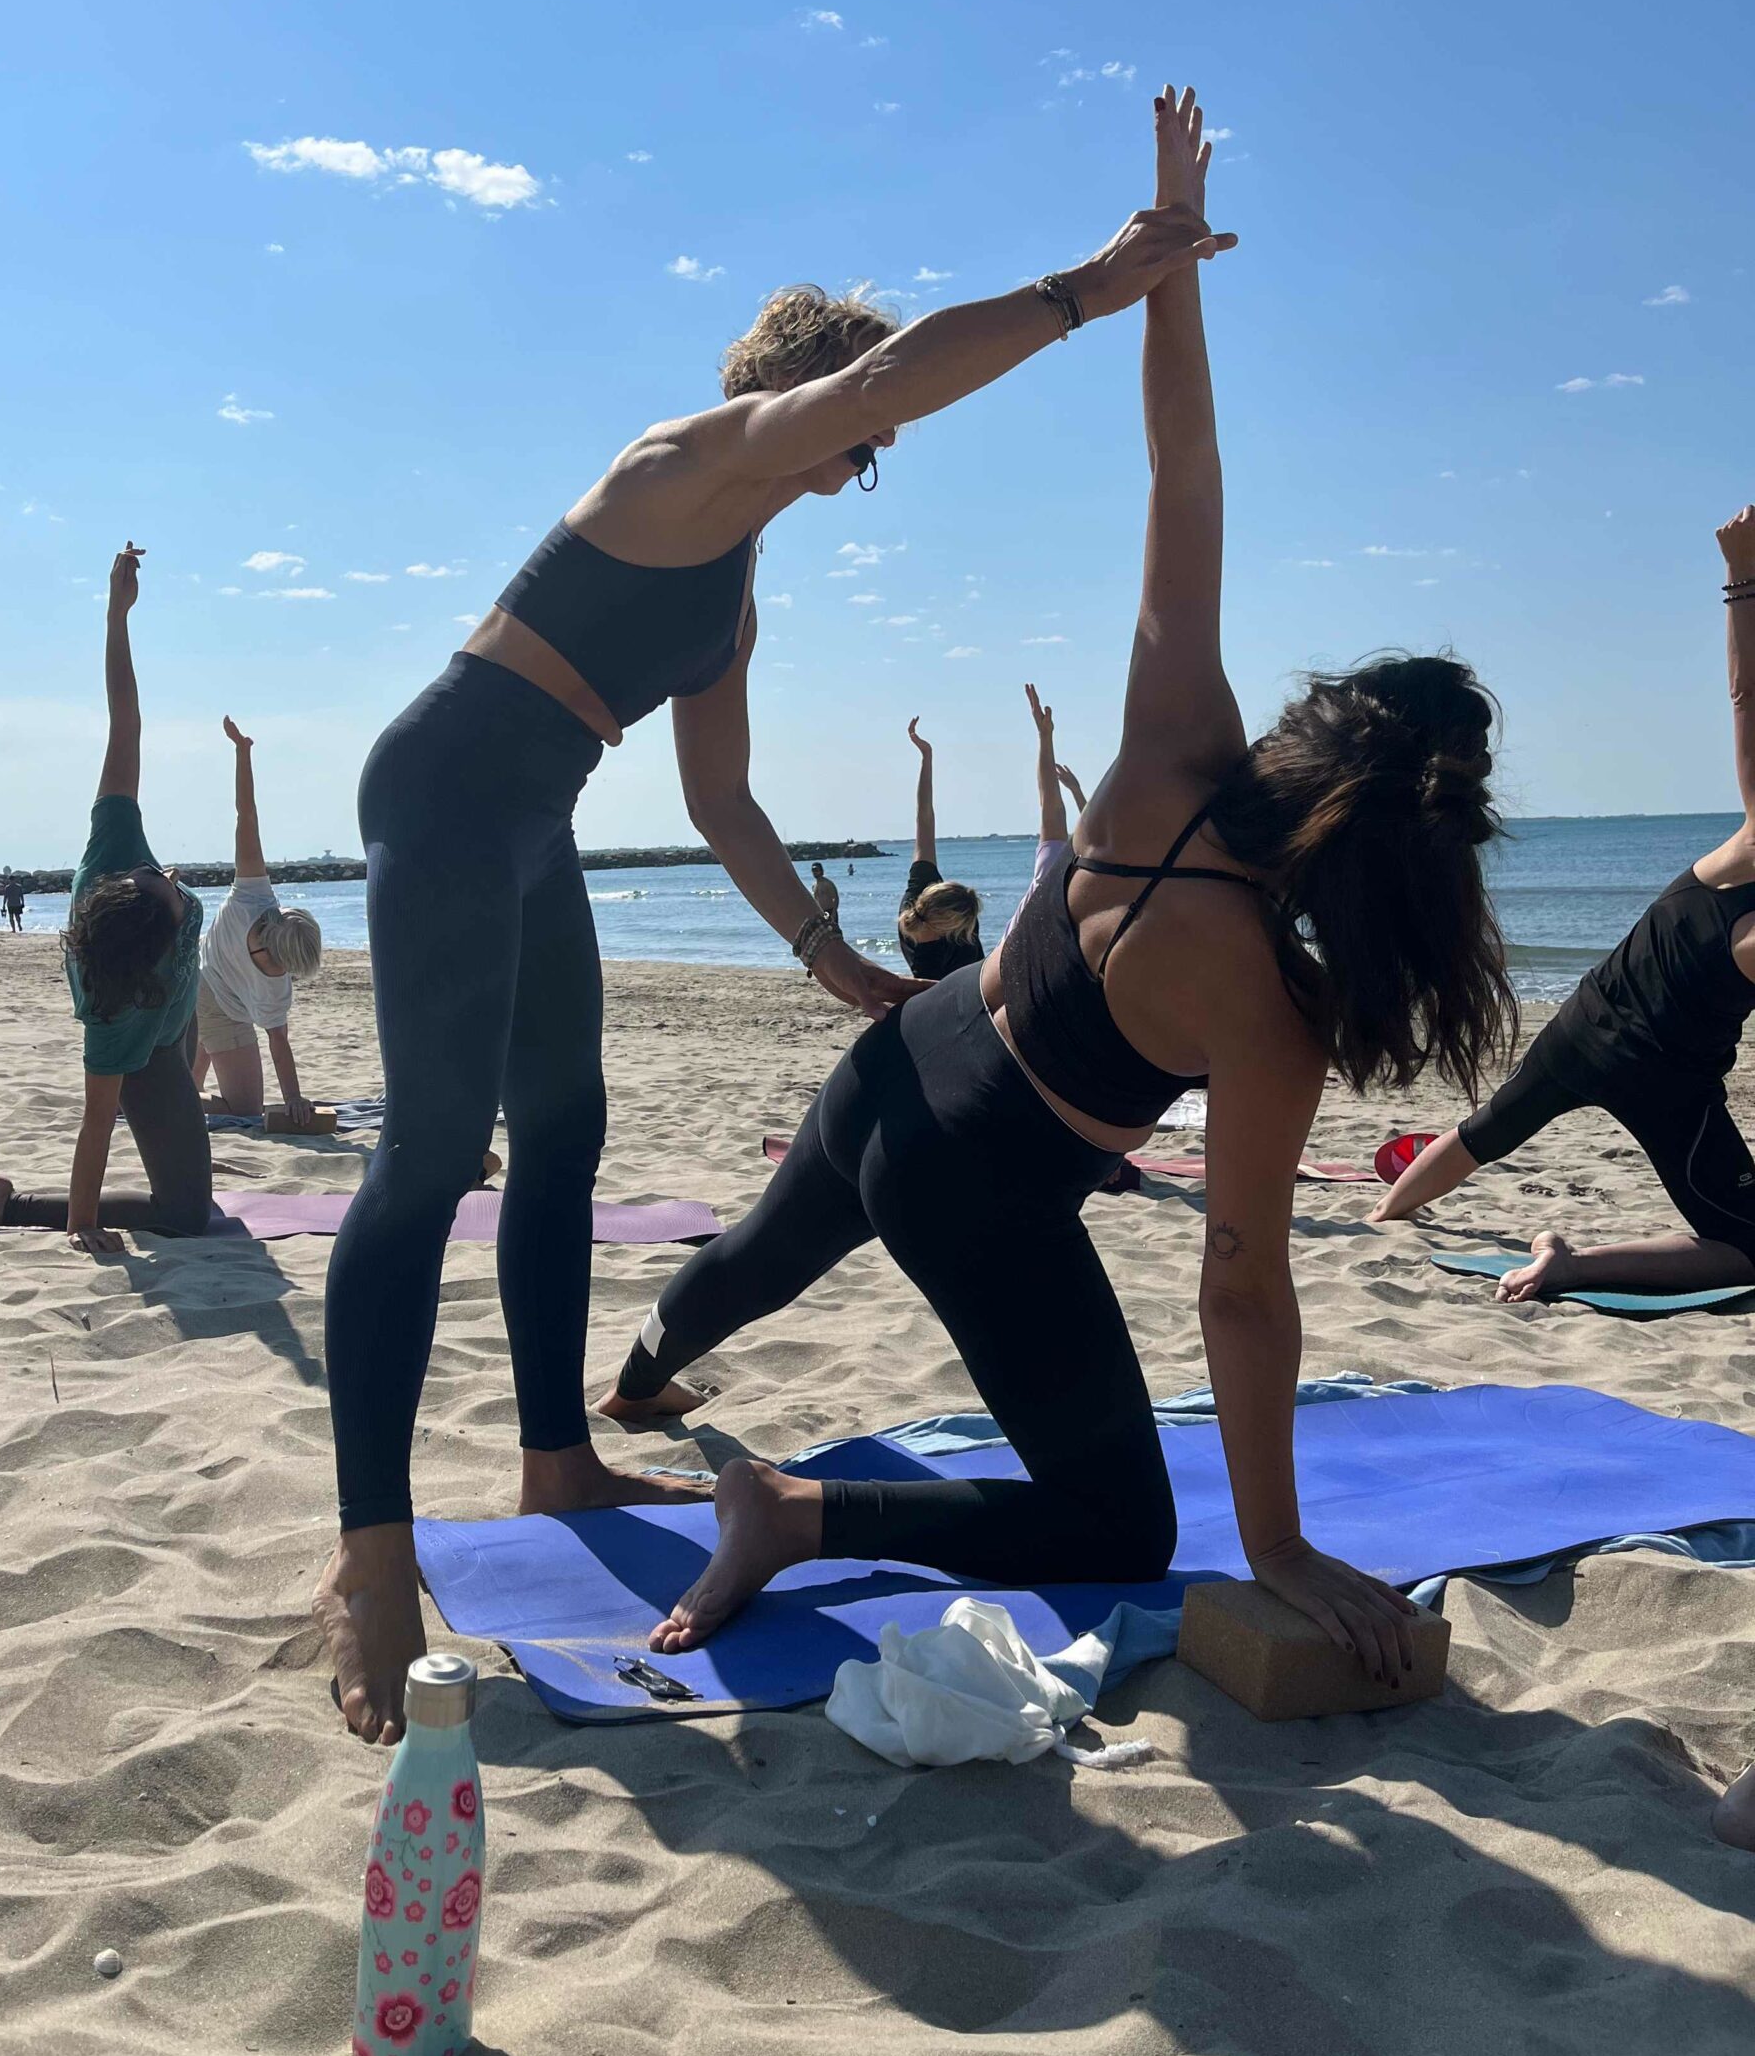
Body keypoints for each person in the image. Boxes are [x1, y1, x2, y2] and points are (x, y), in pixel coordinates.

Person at [603, 88, 1514, 1682]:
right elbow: (1243, 1293)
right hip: (975, 1186)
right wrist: (1282, 1544)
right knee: (1120, 1526)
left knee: (751, 1261)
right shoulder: (1273, 1019)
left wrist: (1173, 256)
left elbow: (1186, 467)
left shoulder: (1174, 748)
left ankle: (642, 1375)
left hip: (900, 1056)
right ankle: (794, 1515)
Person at [316, 184, 1234, 1745]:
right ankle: (369, 1558)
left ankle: (556, 1461)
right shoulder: (686, 462)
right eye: (858, 446)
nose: (860, 467)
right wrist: (1089, 286)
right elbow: (880, 383)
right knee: (424, 1157)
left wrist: (822, 954)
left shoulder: (735, 587)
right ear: (791, 396)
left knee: (570, 1133)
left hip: (539, 820)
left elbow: (720, 800)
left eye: (868, 460)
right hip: (452, 789)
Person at [1370, 503, 1755, 1301]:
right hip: (1667, 1085)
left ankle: (1383, 1214)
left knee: (1484, 1133)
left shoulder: (1749, 846)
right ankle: (1568, 1265)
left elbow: (1746, 700)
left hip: (1583, 1024)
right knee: (1746, 1245)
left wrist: (1741, 577)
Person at [0, 546, 236, 1251]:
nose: (171, 879)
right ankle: (3, 1199)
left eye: (162, 882)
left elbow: (126, 721)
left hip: (178, 1022)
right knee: (185, 1215)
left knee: (189, 1174)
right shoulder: (114, 1018)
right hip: (153, 1044)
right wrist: (82, 1227)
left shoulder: (114, 849)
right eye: (173, 896)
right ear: (151, 964)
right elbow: (95, 1123)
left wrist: (116, 615)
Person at [191, 717, 324, 1128]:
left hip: (202, 979)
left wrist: (242, 753)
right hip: (212, 995)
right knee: (246, 1106)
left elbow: (245, 816)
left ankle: (161, 1098)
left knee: (186, 1082)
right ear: (278, 955)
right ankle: (161, 1104)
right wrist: (295, 1100)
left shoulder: (255, 899)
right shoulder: (270, 979)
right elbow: (246, 816)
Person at [896, 718, 985, 979]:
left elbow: (924, 816)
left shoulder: (920, 885)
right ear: (951, 929)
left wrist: (927, 757)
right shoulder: (929, 964)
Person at [1008, 680, 1089, 935]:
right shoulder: (1063, 875)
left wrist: (1045, 736)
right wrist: (1045, 736)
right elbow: (1051, 805)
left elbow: (1050, 805)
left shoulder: (1053, 872)